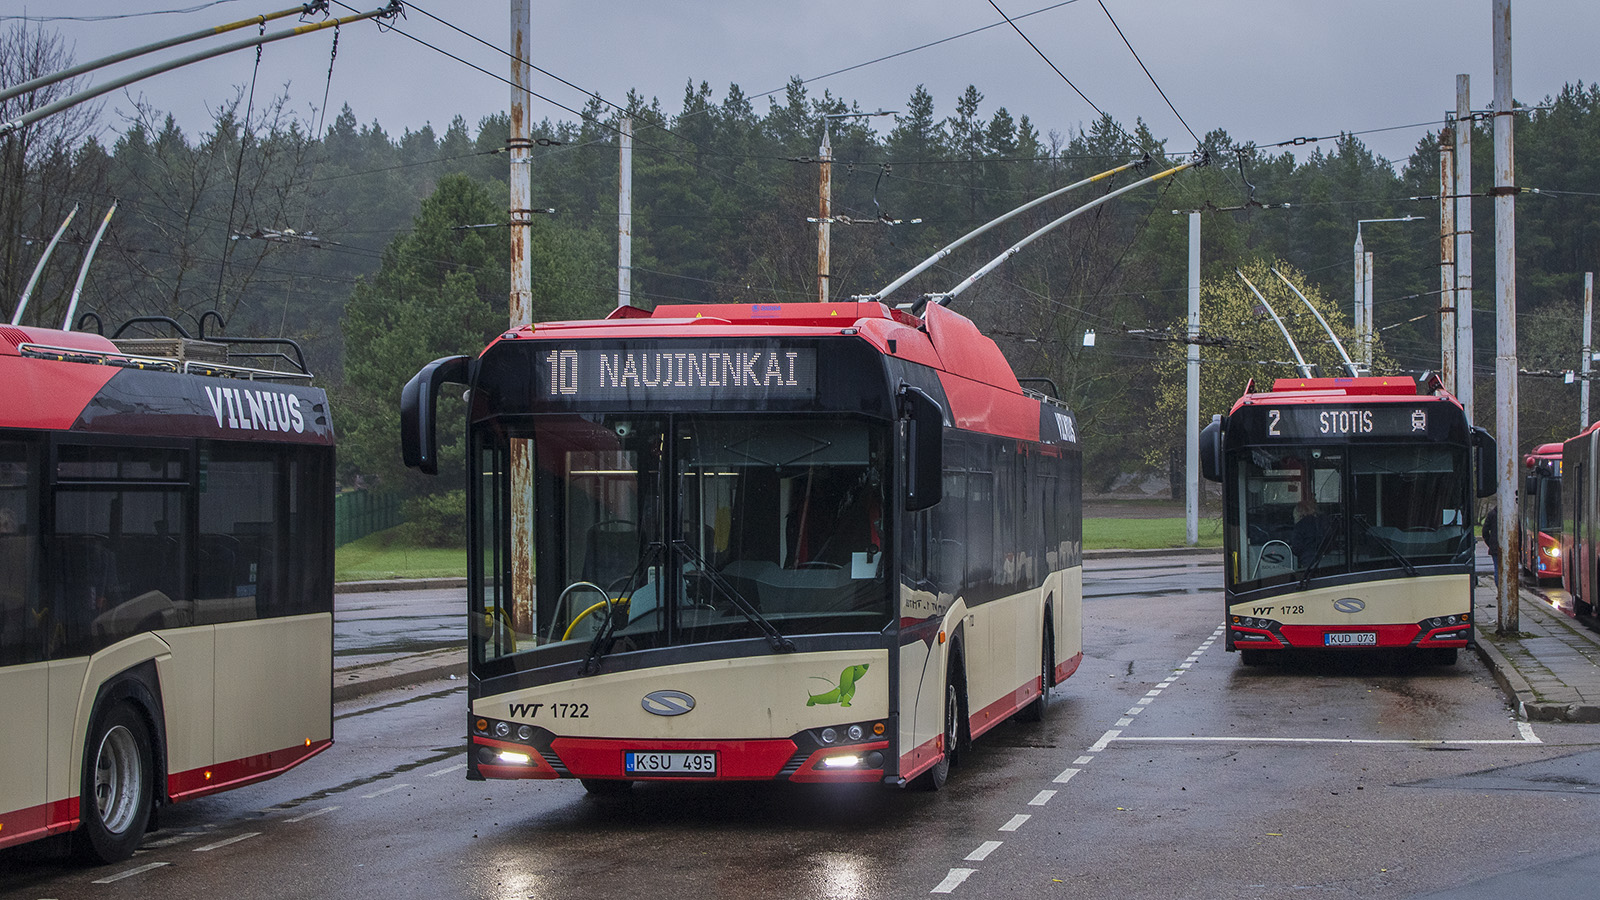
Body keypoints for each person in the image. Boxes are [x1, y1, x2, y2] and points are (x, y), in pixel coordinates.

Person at [1482, 505, 1499, 585]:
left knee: (1497, 569)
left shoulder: (1492, 514)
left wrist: (1490, 543)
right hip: (1509, 548)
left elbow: (1485, 531)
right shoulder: (1513, 514)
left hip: (1495, 548)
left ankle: (1499, 590)